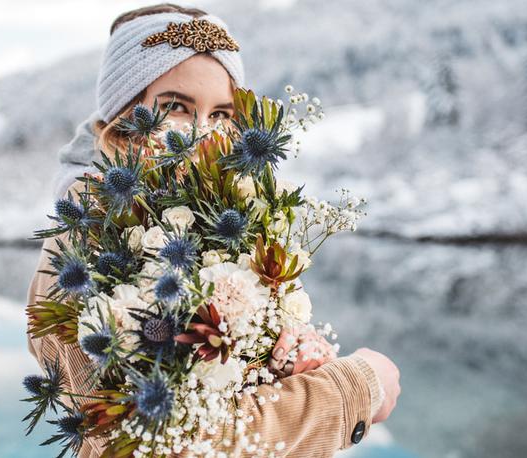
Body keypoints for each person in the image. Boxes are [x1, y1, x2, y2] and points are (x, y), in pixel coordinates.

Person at [26, 4, 401, 457]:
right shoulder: (83, 251)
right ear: (126, 116)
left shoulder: (222, 218)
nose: (203, 132)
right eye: (177, 107)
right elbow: (167, 446)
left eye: (222, 113)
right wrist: (354, 391)